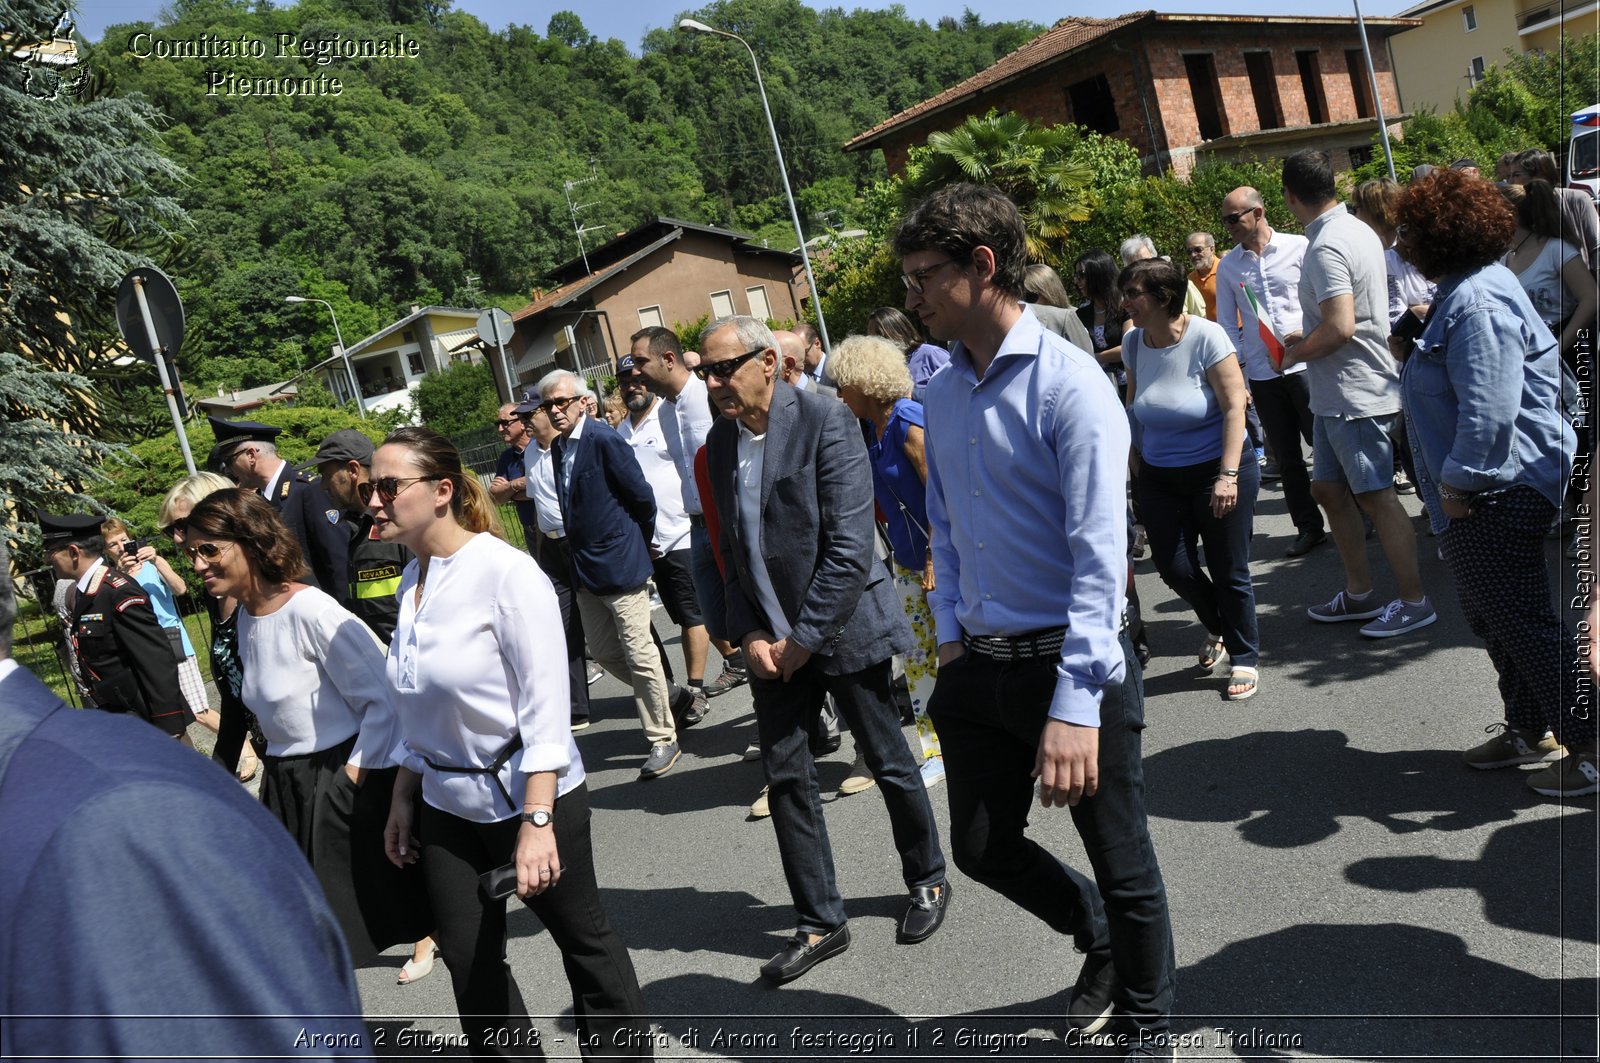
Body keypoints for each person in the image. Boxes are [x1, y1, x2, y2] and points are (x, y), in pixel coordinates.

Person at [896, 183, 1175, 1060]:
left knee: (1121, 861)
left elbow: (1102, 557)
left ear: (982, 267)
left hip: (1071, 660)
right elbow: (944, 522)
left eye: (924, 278)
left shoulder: (1070, 383)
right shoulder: (940, 393)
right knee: (979, 845)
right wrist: (947, 634)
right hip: (979, 663)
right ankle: (1095, 938)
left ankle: (1147, 1027)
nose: (913, 299)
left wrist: (1077, 700)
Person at [0, 539, 370, 1060]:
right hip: (281, 770)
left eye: (206, 549)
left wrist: (171, 736)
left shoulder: (126, 817)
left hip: (325, 765)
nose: (196, 565)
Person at [373, 426, 652, 1060]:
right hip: (447, 802)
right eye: (371, 487)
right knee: (470, 963)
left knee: (583, 941)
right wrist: (403, 792)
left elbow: (547, 713)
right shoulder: (409, 584)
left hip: (528, 795)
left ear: (442, 491)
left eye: (389, 486)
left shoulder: (506, 573)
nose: (374, 499)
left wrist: (538, 820)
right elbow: (420, 706)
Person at [702, 315, 950, 984]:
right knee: (787, 779)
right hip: (770, 641)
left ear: (769, 364)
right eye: (707, 372)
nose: (715, 382)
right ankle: (819, 920)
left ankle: (927, 876)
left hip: (839, 626)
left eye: (725, 368)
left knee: (887, 756)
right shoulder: (720, 442)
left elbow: (846, 548)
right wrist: (749, 633)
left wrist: (801, 641)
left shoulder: (825, 420)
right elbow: (734, 552)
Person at [1393, 168, 1595, 797]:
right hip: (1489, 489)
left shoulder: (1477, 302)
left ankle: (1588, 748)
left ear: (1439, 237)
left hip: (1494, 491)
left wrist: (1457, 492)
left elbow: (1488, 413)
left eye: (1408, 230)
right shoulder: (1470, 289)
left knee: (1522, 620)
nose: (1398, 241)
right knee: (1492, 615)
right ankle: (1528, 729)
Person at [184, 488, 427, 967]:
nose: (197, 565)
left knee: (348, 928)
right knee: (303, 936)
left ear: (251, 542)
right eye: (191, 553)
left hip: (334, 779)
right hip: (286, 784)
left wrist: (349, 781)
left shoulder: (311, 610)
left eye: (209, 549)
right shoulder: (248, 617)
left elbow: (384, 700)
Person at [1280, 149, 1435, 637]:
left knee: (1377, 496)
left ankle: (1414, 601)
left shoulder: (1328, 245)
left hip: (1355, 393)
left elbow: (1341, 326)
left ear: (1289, 197)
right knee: (1327, 489)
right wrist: (1305, 343)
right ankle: (1360, 595)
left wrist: (1296, 351)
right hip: (1337, 394)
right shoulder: (1352, 230)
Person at [521, 369, 690, 778]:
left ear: (582, 402)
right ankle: (671, 696)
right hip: (583, 569)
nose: (555, 411)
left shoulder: (603, 438)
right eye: (548, 405)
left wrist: (631, 542)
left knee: (638, 649)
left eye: (562, 402)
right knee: (606, 650)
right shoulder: (559, 448)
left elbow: (641, 497)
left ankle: (662, 738)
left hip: (620, 562)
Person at [1121, 257, 1261, 700]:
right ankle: (1222, 625)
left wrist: (1228, 475)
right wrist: (1132, 462)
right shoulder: (1133, 343)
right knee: (1174, 566)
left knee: (1228, 570)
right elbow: (1132, 406)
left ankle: (1245, 656)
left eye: (1133, 294)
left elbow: (1235, 405)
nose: (1126, 303)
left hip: (1217, 471)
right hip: (1159, 476)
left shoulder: (1206, 336)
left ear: (1163, 298)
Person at [828, 334, 946, 783]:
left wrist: (935, 555)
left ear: (864, 382)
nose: (840, 396)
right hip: (908, 560)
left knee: (955, 649)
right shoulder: (874, 429)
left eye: (844, 386)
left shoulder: (906, 420)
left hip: (938, 559)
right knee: (917, 656)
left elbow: (939, 489)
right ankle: (936, 750)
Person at [628, 326, 750, 698]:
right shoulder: (664, 411)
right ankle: (746, 671)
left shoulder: (708, 395)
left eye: (640, 362)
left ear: (668, 359)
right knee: (714, 618)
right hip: (696, 525)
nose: (635, 372)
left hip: (730, 520)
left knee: (752, 616)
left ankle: (802, 715)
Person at [1215, 185, 1328, 559]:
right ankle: (1308, 527)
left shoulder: (1299, 246)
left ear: (1258, 213)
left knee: (1326, 445)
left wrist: (1309, 336)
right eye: (1225, 220)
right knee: (1288, 458)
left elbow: (1319, 300)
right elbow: (1228, 326)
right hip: (1264, 374)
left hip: (1306, 364)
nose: (1229, 226)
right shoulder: (1229, 265)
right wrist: (1240, 373)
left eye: (1234, 218)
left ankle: (1356, 513)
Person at [615, 355, 712, 723]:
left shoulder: (667, 415)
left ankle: (695, 688)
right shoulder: (621, 430)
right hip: (647, 540)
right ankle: (684, 681)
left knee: (691, 613)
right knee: (675, 612)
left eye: (637, 378)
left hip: (682, 531)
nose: (632, 386)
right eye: (625, 381)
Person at [40, 512, 192, 739]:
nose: (47, 560)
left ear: (73, 552)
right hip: (123, 718)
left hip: (148, 720)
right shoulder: (86, 592)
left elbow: (155, 659)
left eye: (51, 553)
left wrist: (170, 725)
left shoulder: (116, 591)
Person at [158, 472, 262, 781]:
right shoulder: (215, 592)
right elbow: (234, 697)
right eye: (170, 530)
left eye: (182, 525)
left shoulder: (271, 592)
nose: (178, 538)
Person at [514, 397, 595, 730]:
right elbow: (536, 500)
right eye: (520, 417)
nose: (524, 423)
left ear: (547, 412)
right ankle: (577, 707)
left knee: (615, 617)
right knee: (563, 626)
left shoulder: (570, 447)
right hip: (551, 547)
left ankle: (664, 685)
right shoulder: (532, 452)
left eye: (529, 415)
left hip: (580, 544)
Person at [207, 416, 352, 599]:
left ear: (251, 455)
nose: (229, 470)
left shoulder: (308, 490)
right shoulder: (259, 501)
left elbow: (339, 562)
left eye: (229, 461)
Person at [100, 516, 218, 734]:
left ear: (131, 539)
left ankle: (245, 748)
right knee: (171, 718)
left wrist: (156, 561)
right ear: (105, 551)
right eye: (112, 544)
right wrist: (122, 574)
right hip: (146, 649)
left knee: (198, 710)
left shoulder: (154, 564)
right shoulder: (113, 578)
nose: (120, 547)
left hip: (173, 640)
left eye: (123, 540)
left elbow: (180, 589)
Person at [311, 428, 414, 646]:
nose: (322, 485)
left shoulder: (398, 521)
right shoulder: (356, 526)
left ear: (353, 470)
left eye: (326, 475)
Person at [1500, 180, 1599, 361]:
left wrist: (1557, 348)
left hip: (1568, 354)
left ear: (1510, 214)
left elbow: (1591, 299)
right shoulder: (1505, 259)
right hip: (1528, 353)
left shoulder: (1556, 250)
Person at [1509, 148, 1600, 269]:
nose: (1510, 181)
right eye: (1510, 176)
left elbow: (1596, 247)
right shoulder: (1518, 211)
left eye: (1516, 175)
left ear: (1539, 175)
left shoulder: (1577, 199)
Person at [865, 306, 950, 402]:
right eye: (871, 338)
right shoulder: (884, 369)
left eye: (879, 336)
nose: (874, 343)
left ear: (897, 332)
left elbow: (959, 391)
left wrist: (912, 395)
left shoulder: (931, 354)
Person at [1120, 234, 1207, 318]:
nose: (1143, 268)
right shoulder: (1126, 296)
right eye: (1135, 266)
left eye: (1146, 261)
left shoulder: (1180, 284)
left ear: (1155, 258)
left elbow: (1201, 317)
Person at [1021, 263, 1099, 352]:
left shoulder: (1074, 316)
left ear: (1048, 293)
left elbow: (1085, 356)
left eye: (1029, 296)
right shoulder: (1023, 321)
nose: (1025, 303)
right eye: (1020, 297)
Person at [1074, 249, 1130, 372]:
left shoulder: (1127, 307)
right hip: (1097, 383)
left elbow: (1129, 348)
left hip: (1129, 383)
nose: (1076, 281)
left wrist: (1094, 357)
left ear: (1099, 274)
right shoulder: (1081, 314)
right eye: (1076, 275)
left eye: (1081, 275)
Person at [1184, 232, 1220, 320]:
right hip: (1207, 331)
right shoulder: (1190, 280)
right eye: (1189, 251)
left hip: (1236, 330)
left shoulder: (1226, 269)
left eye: (1198, 249)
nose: (1193, 255)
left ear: (1212, 249)